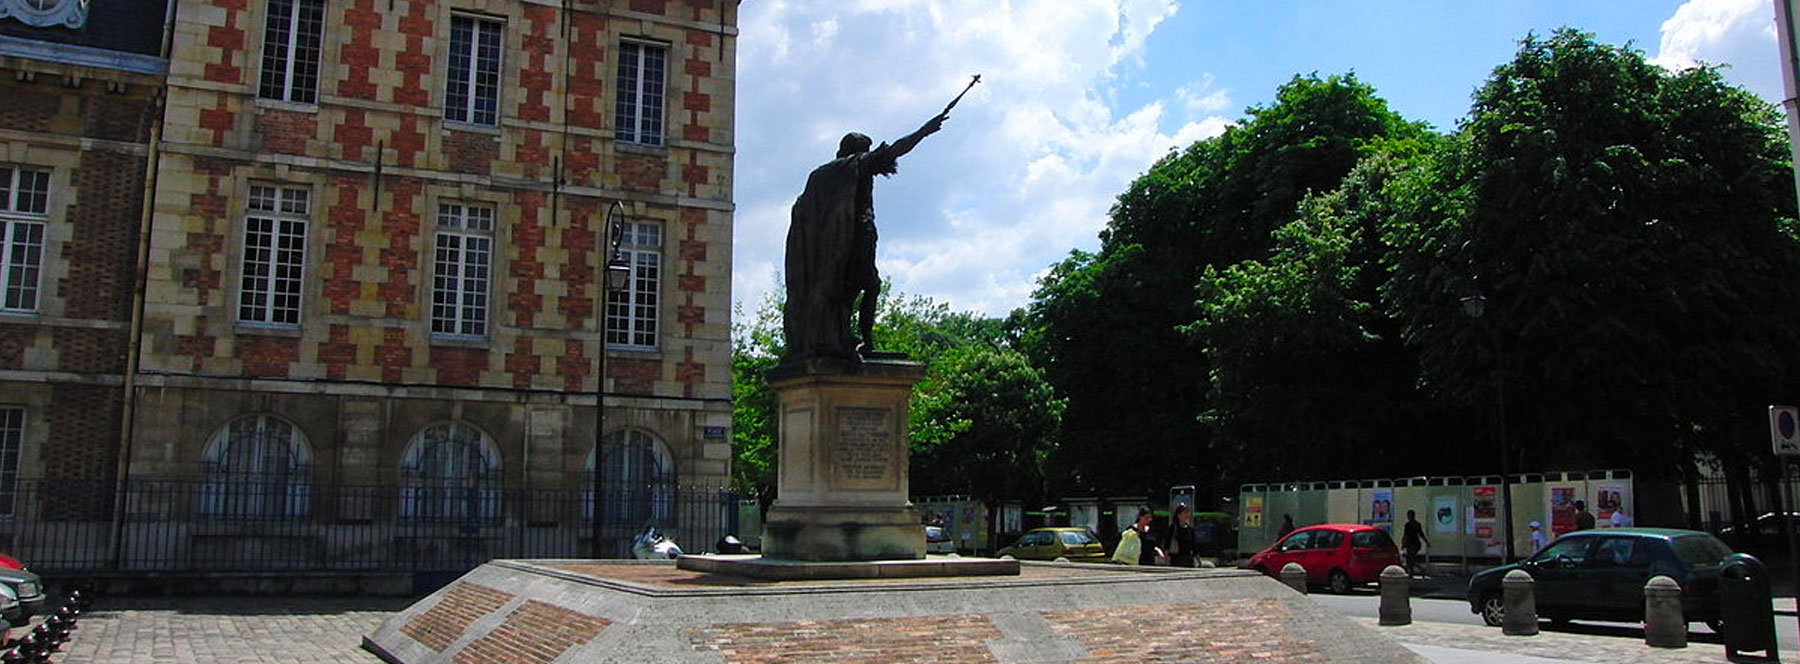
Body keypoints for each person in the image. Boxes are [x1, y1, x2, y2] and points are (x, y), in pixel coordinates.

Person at [783, 114, 947, 361]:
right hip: (855, 237)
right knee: (864, 286)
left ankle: (850, 336)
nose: (869, 155)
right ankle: (858, 339)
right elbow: (894, 151)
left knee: (855, 287)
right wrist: (924, 131)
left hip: (843, 241)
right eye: (866, 150)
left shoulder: (822, 175)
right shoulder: (854, 166)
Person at [1167, 504, 1199, 568]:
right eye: (1185, 512)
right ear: (1178, 515)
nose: (1187, 515)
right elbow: (1167, 544)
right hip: (1175, 560)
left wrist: (1197, 559)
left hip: (1188, 560)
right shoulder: (1173, 528)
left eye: (1188, 512)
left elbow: (1194, 546)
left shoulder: (1190, 529)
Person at [1401, 509, 1429, 577]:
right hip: (1416, 544)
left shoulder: (1408, 525)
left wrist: (1403, 544)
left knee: (1410, 559)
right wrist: (1426, 542)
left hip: (1411, 544)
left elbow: (1406, 535)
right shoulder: (1417, 524)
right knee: (1411, 558)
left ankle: (1420, 570)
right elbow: (1421, 534)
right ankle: (1412, 571)